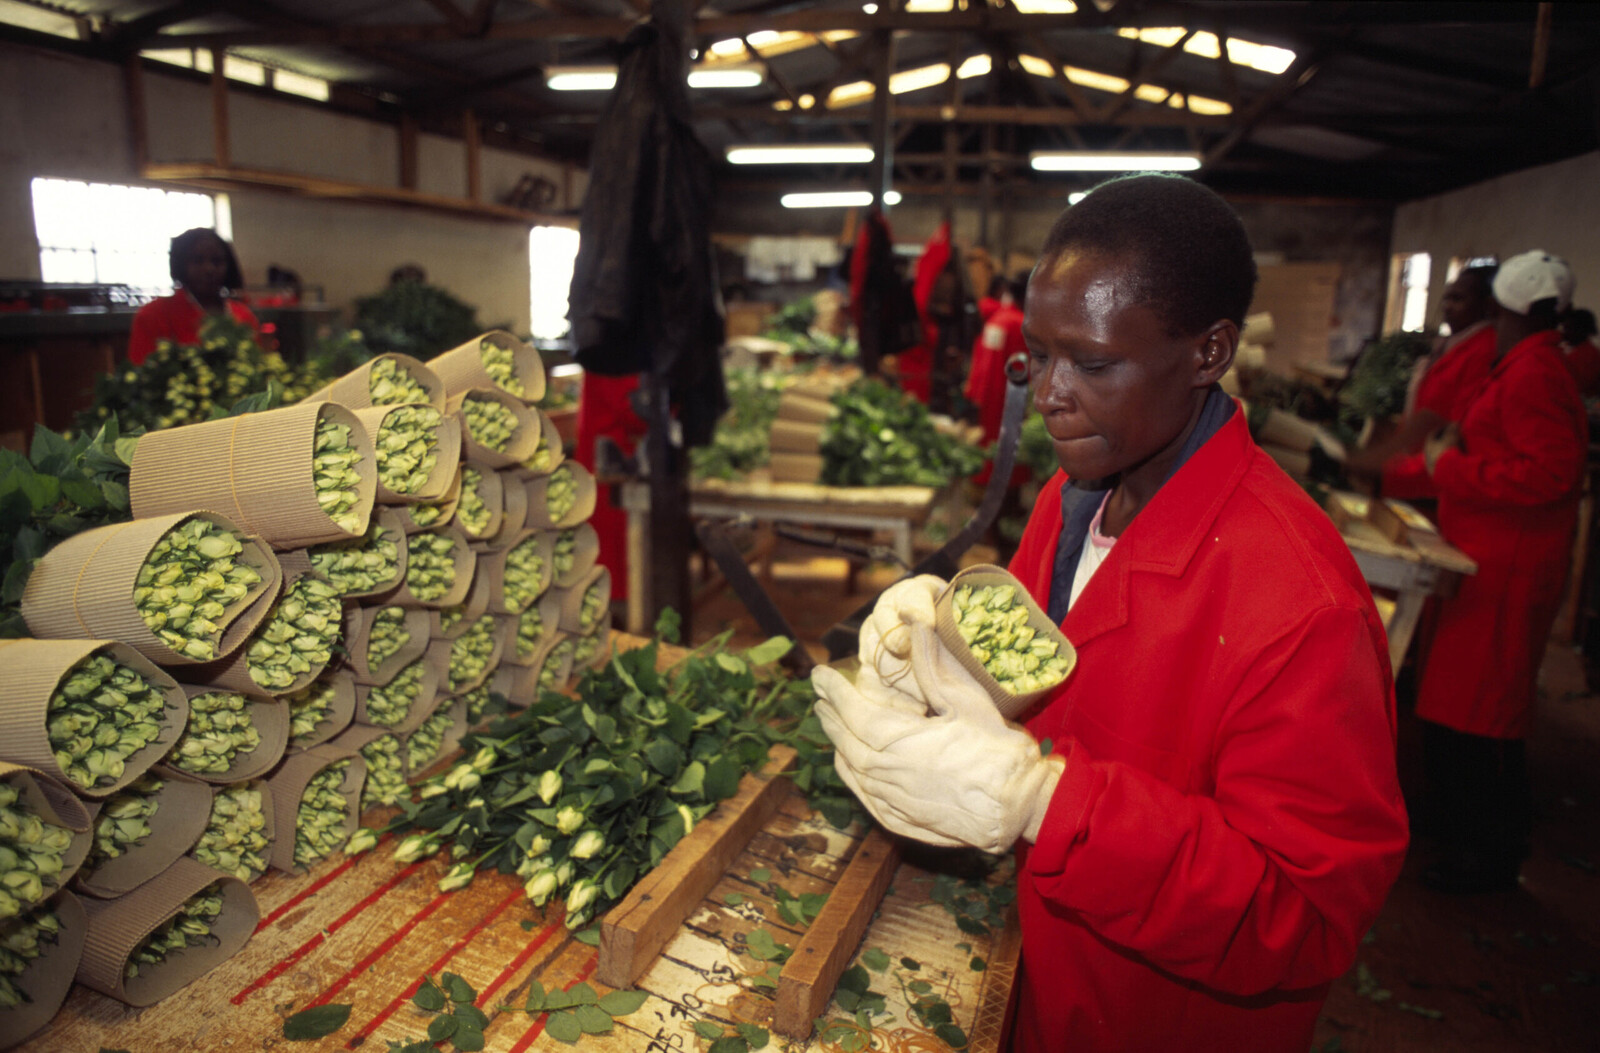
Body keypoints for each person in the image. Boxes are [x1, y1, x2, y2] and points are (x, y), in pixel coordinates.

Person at [812, 175, 1407, 1052]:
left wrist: (1048, 803)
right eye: (1038, 356)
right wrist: (938, 657)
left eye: (1090, 364)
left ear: (1209, 353)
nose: (1051, 394)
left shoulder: (1302, 609)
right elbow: (1040, 690)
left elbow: (1303, 916)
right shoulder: (1072, 499)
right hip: (1046, 971)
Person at [1386, 251, 1586, 894]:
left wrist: (1449, 473)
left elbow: (1552, 474)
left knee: (1486, 716)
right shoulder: (1523, 364)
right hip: (1483, 557)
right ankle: (1462, 833)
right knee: (1457, 707)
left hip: (1510, 569)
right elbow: (1471, 447)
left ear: (1502, 309)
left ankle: (1491, 855)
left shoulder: (1535, 374)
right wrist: (1393, 472)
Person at [127, 228, 259, 365]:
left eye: (217, 261)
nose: (209, 269)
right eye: (198, 261)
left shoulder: (243, 316)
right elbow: (141, 375)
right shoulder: (153, 315)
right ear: (180, 265)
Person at [1558, 307, 1600, 398]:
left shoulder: (1589, 355)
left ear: (1582, 330)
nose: (1564, 334)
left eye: (1569, 329)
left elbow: (1576, 386)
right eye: (1565, 329)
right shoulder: (1566, 349)